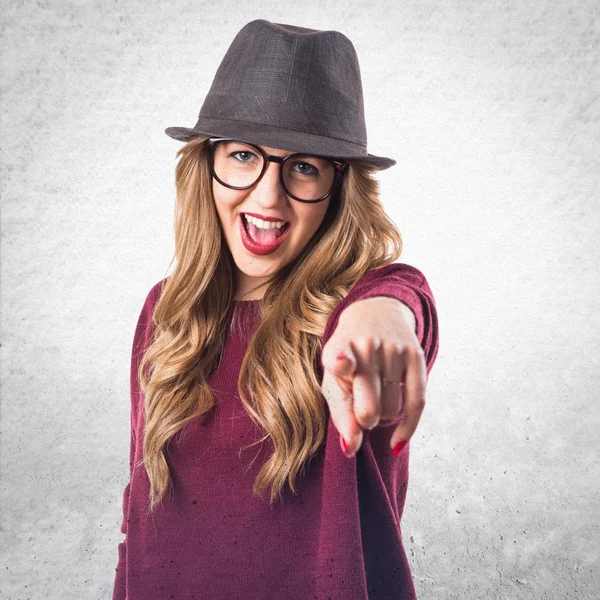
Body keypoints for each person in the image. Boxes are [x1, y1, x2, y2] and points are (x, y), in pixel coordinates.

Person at [112, 19, 439, 600]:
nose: (268, 196)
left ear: (339, 191)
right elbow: (138, 520)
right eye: (243, 156)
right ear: (205, 166)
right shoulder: (166, 312)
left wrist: (386, 311)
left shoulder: (350, 320)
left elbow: (401, 304)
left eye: (304, 166)